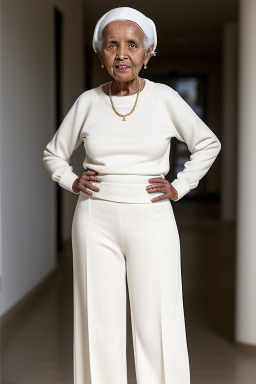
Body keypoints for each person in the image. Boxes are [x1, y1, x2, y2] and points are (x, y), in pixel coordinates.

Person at [43, 6, 221, 384]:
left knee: (157, 321)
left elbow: (207, 143)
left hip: (152, 213)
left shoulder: (165, 98)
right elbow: (53, 153)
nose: (122, 53)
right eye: (112, 45)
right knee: (99, 324)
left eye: (132, 45)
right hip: (95, 215)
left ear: (147, 52)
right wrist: (71, 180)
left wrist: (181, 185)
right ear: (101, 53)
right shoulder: (88, 102)